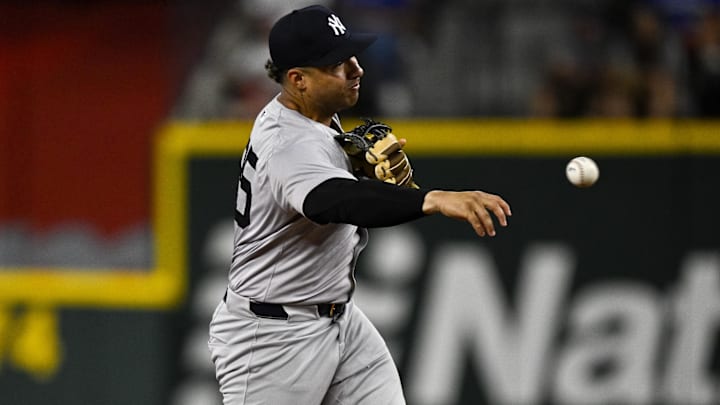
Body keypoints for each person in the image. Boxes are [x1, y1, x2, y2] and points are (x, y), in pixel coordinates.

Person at [208, 5, 512, 405]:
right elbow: (335, 201)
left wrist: (354, 164)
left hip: (339, 321)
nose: (357, 69)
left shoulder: (313, 116)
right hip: (271, 341)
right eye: (337, 64)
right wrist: (432, 199)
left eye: (352, 56)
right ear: (298, 79)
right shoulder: (288, 142)